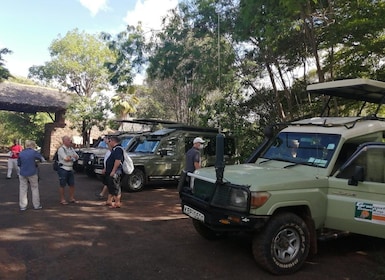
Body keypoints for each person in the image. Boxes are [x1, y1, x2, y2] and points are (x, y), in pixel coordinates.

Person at [17, 140, 45, 211]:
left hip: (23, 172)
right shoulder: (34, 153)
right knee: (34, 188)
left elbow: (19, 164)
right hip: (32, 172)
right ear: (33, 145)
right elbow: (42, 159)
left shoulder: (21, 153)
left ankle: (23, 206)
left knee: (23, 189)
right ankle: (36, 205)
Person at [57, 136, 79, 205]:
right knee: (62, 184)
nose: (70, 141)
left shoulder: (71, 149)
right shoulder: (61, 149)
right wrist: (72, 157)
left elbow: (77, 156)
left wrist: (71, 158)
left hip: (70, 168)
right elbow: (66, 158)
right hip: (63, 168)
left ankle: (71, 198)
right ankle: (62, 199)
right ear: (64, 141)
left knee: (72, 184)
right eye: (69, 140)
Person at [105, 135, 123, 208]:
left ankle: (117, 203)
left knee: (116, 187)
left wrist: (113, 171)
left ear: (113, 141)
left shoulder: (118, 149)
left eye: (110, 141)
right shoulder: (114, 149)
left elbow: (117, 161)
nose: (109, 142)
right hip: (111, 170)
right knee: (111, 186)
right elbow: (110, 149)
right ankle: (110, 201)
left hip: (116, 171)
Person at [96, 136, 111, 202]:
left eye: (107, 142)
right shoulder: (108, 151)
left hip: (111, 169)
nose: (106, 144)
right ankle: (103, 195)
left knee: (110, 183)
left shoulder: (113, 150)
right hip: (107, 168)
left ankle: (110, 199)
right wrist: (105, 168)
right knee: (108, 183)